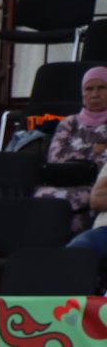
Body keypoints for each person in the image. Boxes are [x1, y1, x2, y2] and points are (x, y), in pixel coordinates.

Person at [37, 67, 107, 230]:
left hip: (96, 186)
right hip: (61, 181)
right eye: (89, 89)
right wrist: (94, 151)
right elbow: (55, 158)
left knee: (73, 201)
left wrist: (77, 154)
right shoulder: (69, 122)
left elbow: (104, 166)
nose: (95, 94)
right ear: (82, 94)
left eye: (102, 87)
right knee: (40, 197)